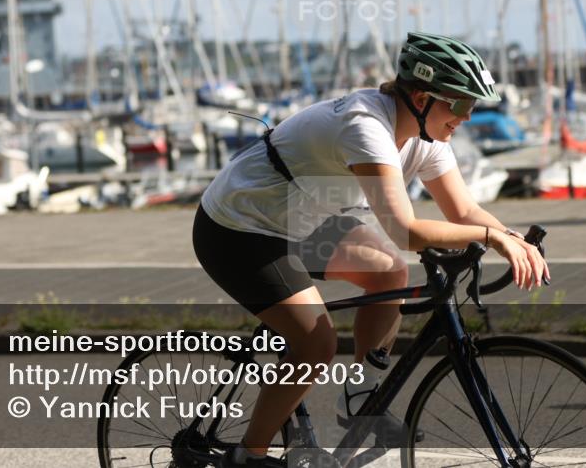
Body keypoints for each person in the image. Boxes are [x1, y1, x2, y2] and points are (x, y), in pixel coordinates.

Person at [193, 32, 551, 467]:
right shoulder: (366, 127)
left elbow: (464, 211)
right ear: (421, 98)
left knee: (389, 271)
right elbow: (406, 231)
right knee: (316, 343)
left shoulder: (427, 138)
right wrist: (492, 240)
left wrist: (512, 238)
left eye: (472, 105)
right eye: (460, 104)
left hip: (304, 216)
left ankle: (360, 398)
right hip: (239, 226)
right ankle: (249, 456)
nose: (468, 116)